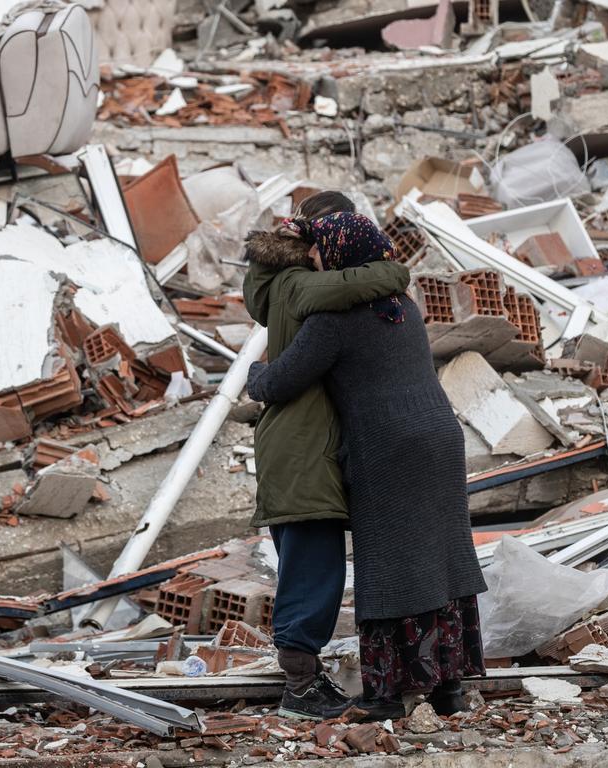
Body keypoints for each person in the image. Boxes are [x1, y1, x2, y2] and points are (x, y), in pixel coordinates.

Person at [247, 212, 487, 719]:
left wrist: (254, 372)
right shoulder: (405, 305)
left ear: (338, 254)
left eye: (318, 249)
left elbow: (279, 383)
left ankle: (384, 696)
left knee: (389, 567)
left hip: (388, 446)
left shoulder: (335, 320)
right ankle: (448, 690)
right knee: (440, 559)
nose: (312, 257)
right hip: (442, 437)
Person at [243, 193, 411, 720]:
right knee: (313, 573)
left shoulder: (276, 285)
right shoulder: (296, 286)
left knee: (310, 567)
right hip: (302, 450)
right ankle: (299, 689)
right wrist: (395, 271)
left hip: (300, 446)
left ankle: (303, 681)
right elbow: (356, 282)